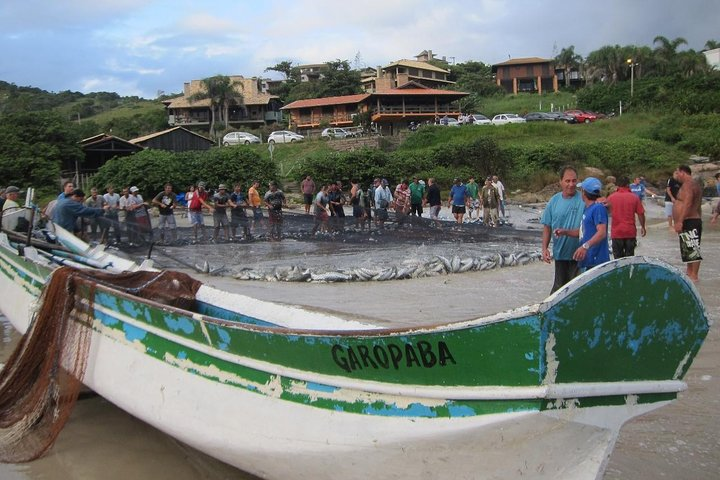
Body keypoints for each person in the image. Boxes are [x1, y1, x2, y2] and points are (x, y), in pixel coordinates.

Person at [541, 166, 584, 293]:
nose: (571, 184)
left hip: (580, 256)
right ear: (560, 181)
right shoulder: (554, 201)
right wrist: (544, 249)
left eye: (574, 181)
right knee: (559, 290)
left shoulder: (584, 199)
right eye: (567, 181)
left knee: (576, 290)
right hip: (560, 254)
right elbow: (547, 227)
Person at [572, 177, 610, 271]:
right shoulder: (589, 208)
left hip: (596, 262)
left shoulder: (598, 208)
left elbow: (602, 233)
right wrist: (564, 232)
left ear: (583, 192)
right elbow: (584, 232)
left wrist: (585, 247)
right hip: (587, 261)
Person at [672, 165, 703, 281]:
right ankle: (690, 274)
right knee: (689, 250)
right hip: (692, 220)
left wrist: (680, 221)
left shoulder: (689, 185)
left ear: (682, 172)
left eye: (677, 173)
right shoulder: (693, 184)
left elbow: (688, 202)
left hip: (689, 220)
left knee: (693, 249)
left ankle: (694, 276)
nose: (676, 176)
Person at [606, 176, 646, 258]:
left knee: (617, 260)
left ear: (617, 185)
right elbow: (641, 214)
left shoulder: (611, 198)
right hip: (630, 232)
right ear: (628, 184)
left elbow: (605, 212)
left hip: (616, 233)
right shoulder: (634, 197)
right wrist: (643, 227)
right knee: (629, 259)